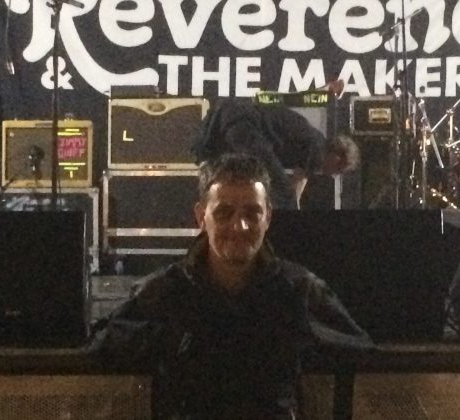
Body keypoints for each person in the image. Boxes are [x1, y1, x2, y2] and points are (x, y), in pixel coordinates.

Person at [89, 153, 372, 419]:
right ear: (201, 216)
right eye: (224, 213)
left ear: (268, 217)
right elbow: (104, 348)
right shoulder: (165, 292)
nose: (240, 227)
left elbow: (359, 351)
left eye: (252, 213)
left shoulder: (299, 291)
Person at [191, 89, 360, 210]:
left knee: (218, 170)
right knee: (283, 192)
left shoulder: (312, 136)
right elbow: (296, 185)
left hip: (226, 116)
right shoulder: (318, 150)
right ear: (337, 157)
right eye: (338, 170)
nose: (332, 174)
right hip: (246, 126)